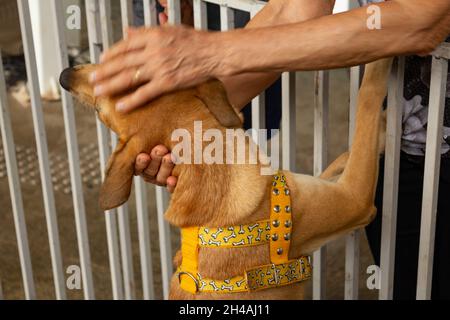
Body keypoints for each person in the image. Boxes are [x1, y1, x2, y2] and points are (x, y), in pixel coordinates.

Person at [91, 0, 450, 299]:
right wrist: (187, 125)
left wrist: (211, 53)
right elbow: (292, 10)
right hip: (404, 140)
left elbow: (422, 20)